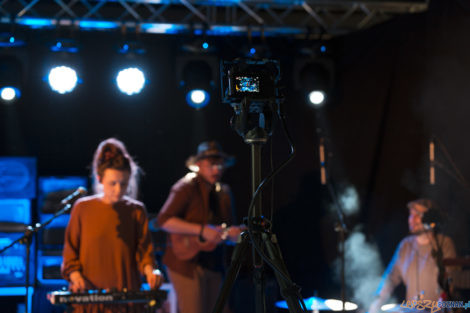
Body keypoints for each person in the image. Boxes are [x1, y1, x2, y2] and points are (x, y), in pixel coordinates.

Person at [61, 138, 163, 313]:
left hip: (127, 297)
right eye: (112, 183)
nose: (118, 189)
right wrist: (75, 275)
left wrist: (152, 272)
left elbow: (144, 253)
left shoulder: (136, 210)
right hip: (90, 298)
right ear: (100, 179)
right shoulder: (82, 208)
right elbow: (70, 252)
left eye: (123, 184)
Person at [154, 141, 244, 313]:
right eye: (211, 164)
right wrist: (202, 230)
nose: (216, 169)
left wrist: (232, 235)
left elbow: (227, 228)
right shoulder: (186, 187)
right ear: (198, 164)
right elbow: (163, 220)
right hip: (186, 263)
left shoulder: (223, 192)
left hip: (214, 263)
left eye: (219, 164)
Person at [368, 199, 457, 313]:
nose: (412, 220)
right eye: (411, 215)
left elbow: (451, 280)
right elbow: (390, 278)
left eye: (417, 215)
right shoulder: (405, 245)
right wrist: (374, 306)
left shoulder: (444, 243)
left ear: (430, 219)